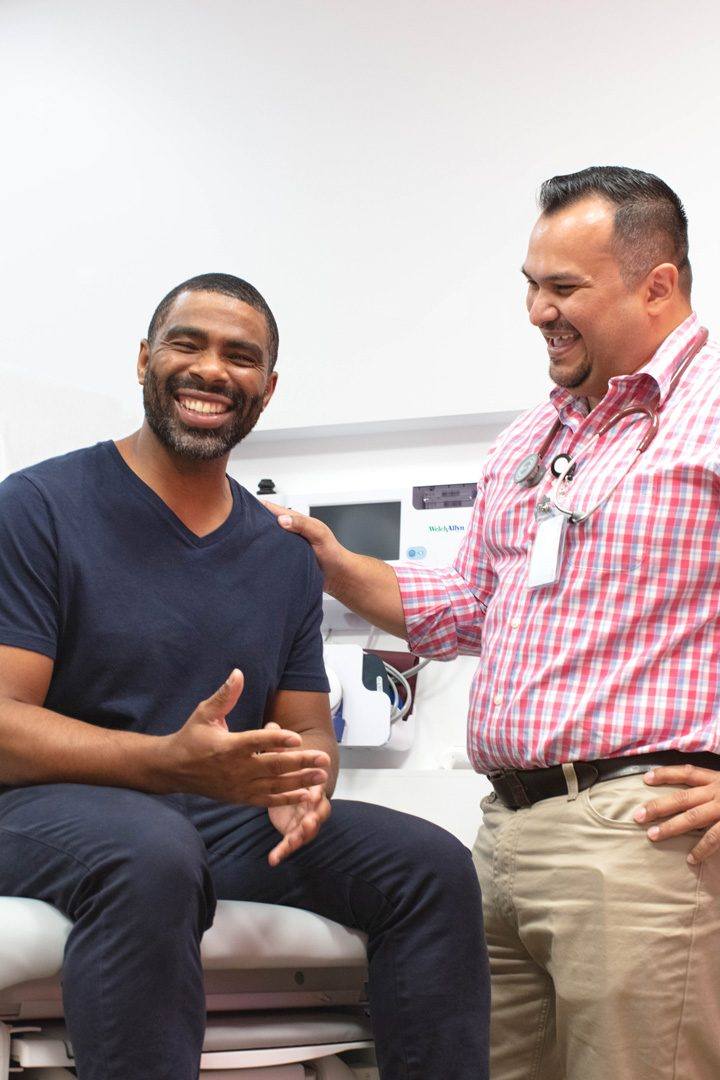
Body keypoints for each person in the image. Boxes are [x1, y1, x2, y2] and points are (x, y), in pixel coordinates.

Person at [267, 167, 720, 1080]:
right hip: (505, 833)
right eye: (529, 284)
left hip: (645, 836)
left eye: (564, 288)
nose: (536, 311)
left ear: (657, 284)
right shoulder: (532, 438)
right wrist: (332, 563)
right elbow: (466, 608)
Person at [0, 273, 489, 1080]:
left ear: (267, 387)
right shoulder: (39, 509)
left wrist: (305, 784)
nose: (212, 370)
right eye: (187, 344)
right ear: (144, 359)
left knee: (430, 865)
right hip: (41, 809)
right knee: (151, 852)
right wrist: (165, 762)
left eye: (240, 356)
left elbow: (304, 730)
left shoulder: (280, 554)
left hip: (212, 818)